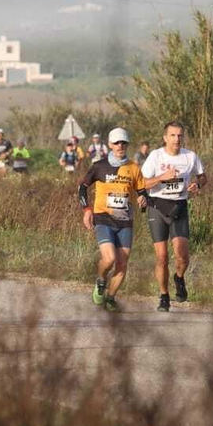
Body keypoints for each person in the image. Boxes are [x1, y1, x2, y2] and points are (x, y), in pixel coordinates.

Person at [139, 120, 206, 311]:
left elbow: (203, 176)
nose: (176, 139)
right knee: (161, 257)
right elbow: (142, 183)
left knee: (182, 256)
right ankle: (163, 295)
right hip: (157, 207)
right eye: (173, 135)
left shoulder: (190, 156)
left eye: (179, 135)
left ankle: (179, 278)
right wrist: (161, 177)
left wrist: (198, 185)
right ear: (165, 137)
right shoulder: (155, 156)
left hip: (179, 207)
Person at [78, 127, 143, 312]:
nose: (120, 146)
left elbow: (142, 191)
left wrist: (142, 199)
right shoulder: (99, 166)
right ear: (110, 145)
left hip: (125, 222)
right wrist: (86, 210)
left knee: (122, 264)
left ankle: (111, 297)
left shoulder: (133, 168)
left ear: (127, 145)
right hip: (103, 218)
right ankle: (100, 280)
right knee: (109, 259)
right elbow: (82, 188)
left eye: (123, 143)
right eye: (116, 143)